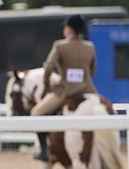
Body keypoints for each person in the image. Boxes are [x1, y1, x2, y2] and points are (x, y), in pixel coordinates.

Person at [30, 14, 96, 161]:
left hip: (65, 90)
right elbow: (93, 70)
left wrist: (48, 84)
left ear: (69, 29)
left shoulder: (60, 45)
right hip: (88, 89)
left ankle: (44, 150)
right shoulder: (90, 47)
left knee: (36, 112)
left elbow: (49, 66)